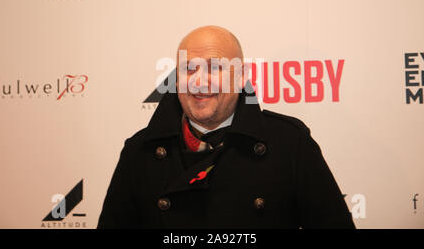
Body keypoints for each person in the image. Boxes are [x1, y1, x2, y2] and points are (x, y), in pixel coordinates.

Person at [97, 25, 355, 229]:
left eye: (214, 68)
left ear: (241, 75)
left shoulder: (290, 144)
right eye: (189, 69)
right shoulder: (138, 153)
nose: (199, 81)